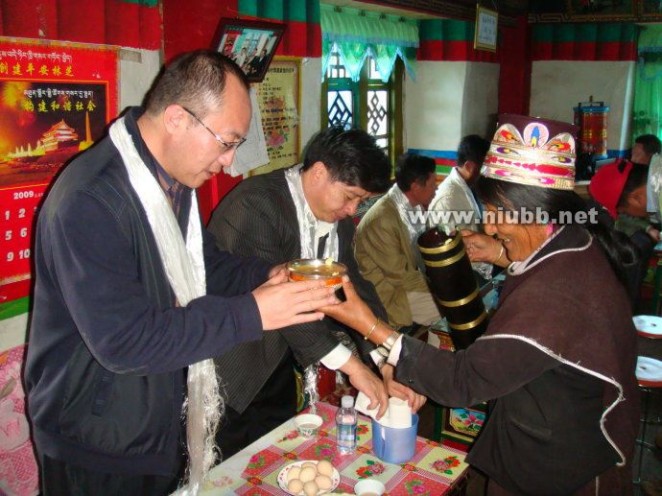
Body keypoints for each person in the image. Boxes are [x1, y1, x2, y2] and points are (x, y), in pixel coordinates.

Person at [23, 50, 339, 496]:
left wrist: (272, 274)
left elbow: (205, 267)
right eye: (227, 142)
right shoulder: (90, 200)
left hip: (157, 418)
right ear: (176, 119)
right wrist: (252, 313)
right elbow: (124, 341)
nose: (230, 162)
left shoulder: (171, 179)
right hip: (97, 440)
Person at [322, 115, 641, 495]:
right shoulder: (573, 238)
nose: (489, 227)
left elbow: (463, 380)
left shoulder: (553, 298)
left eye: (495, 213)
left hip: (556, 465)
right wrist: (502, 254)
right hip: (554, 430)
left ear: (533, 212)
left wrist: (369, 325)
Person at [207, 127, 426, 458]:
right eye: (350, 196)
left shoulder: (333, 217)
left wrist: (385, 360)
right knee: (228, 471)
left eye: (362, 201)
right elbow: (289, 302)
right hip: (230, 371)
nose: (353, 210)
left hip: (276, 363)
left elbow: (357, 291)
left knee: (274, 461)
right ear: (320, 172)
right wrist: (355, 367)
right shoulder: (257, 206)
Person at [354, 153, 440, 331]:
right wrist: (439, 290)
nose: (436, 189)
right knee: (447, 311)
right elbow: (400, 276)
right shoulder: (383, 220)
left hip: (406, 285)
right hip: (387, 296)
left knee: (456, 301)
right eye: (433, 184)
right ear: (416, 186)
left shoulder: (414, 208)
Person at [429, 134, 493, 282]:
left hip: (481, 264)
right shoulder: (448, 199)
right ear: (469, 166)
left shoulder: (470, 187)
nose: (487, 174)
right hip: (464, 274)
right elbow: (449, 252)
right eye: (484, 168)